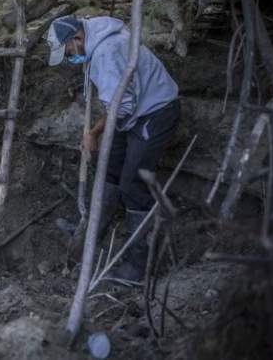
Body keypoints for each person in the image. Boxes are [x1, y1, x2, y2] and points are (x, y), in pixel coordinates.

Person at [47, 15, 180, 282]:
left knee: (133, 185)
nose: (70, 58)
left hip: (153, 112)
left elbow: (122, 106)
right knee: (108, 167)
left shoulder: (106, 52)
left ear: (77, 38)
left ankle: (138, 266)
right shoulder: (96, 39)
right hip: (131, 112)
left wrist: (94, 133)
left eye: (69, 51)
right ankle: (90, 230)